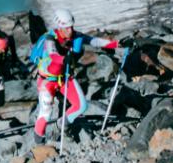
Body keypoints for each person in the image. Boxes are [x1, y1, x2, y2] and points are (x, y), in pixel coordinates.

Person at [27, 8, 118, 139]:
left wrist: (117, 44)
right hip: (47, 81)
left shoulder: (75, 35)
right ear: (60, 27)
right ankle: (38, 142)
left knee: (81, 105)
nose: (70, 30)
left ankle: (62, 125)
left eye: (71, 27)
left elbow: (95, 41)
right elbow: (52, 55)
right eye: (67, 28)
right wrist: (64, 59)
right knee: (45, 113)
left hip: (65, 77)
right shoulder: (50, 39)